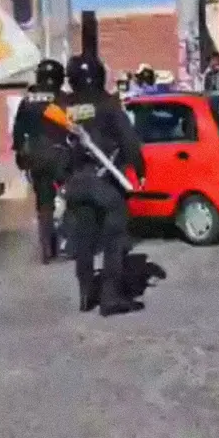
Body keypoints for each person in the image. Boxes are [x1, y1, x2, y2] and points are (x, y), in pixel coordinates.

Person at [61, 54, 146, 316]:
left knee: (83, 240)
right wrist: (140, 169)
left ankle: (86, 293)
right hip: (105, 182)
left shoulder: (64, 107)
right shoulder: (108, 103)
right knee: (114, 238)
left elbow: (56, 145)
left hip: (76, 182)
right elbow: (129, 140)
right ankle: (110, 297)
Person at [12, 59, 69, 264]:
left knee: (43, 204)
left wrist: (20, 154)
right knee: (65, 197)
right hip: (60, 154)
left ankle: (47, 249)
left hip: (35, 156)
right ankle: (63, 243)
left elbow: (18, 131)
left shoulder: (27, 101)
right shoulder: (63, 98)